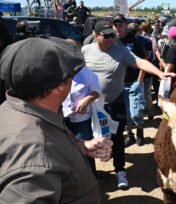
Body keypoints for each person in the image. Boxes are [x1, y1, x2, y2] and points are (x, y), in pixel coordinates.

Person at [0, 37, 112, 203]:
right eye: (71, 74)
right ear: (60, 85)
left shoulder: (19, 108)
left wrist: (81, 147)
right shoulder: (35, 155)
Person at [82, 20, 176, 189]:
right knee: (91, 139)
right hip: (92, 105)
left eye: (112, 35)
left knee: (117, 138)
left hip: (115, 102)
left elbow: (140, 62)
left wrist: (159, 73)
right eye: (107, 36)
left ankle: (120, 171)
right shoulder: (85, 51)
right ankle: (92, 175)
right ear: (96, 36)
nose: (111, 38)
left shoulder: (121, 51)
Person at [112, 14, 147, 147]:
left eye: (121, 24)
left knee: (136, 112)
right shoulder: (112, 40)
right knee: (126, 115)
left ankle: (140, 131)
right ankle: (130, 135)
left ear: (126, 25)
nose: (118, 27)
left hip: (134, 82)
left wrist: (140, 81)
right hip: (119, 84)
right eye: (115, 24)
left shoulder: (134, 40)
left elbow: (144, 59)